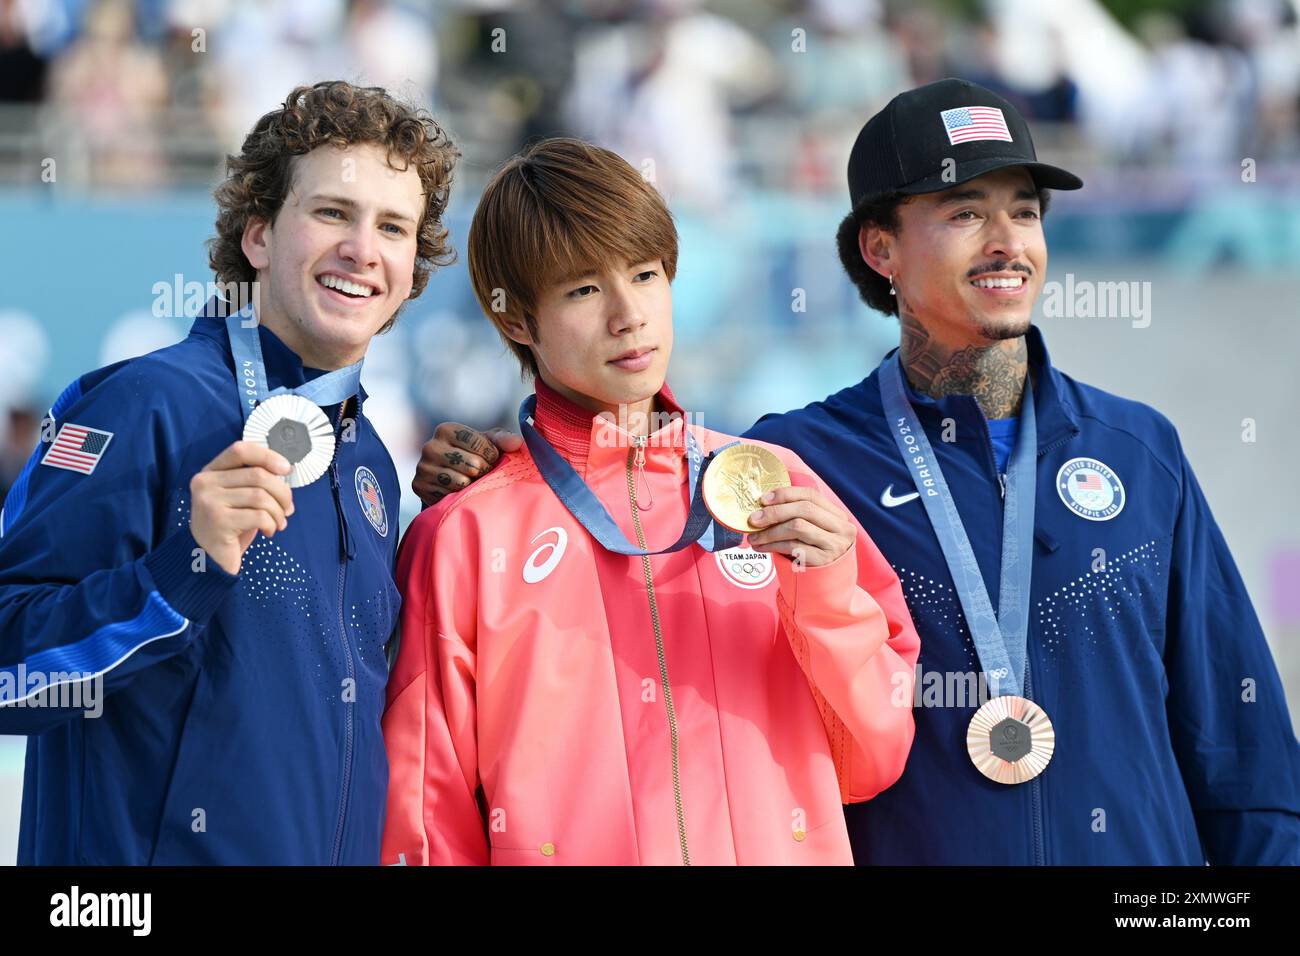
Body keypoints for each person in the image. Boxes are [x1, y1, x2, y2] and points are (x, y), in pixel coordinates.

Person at [417, 79, 1300, 864]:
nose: (1006, 242)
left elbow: (1241, 743)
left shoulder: (1138, 452)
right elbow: (621, 483)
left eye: (1024, 209)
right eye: (963, 212)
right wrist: (510, 472)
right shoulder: (784, 468)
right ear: (879, 250)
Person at [381, 137, 920, 865]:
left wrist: (822, 594)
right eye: (582, 290)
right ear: (515, 321)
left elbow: (874, 759)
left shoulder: (776, 484)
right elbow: (424, 816)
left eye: (644, 274)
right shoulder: (466, 534)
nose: (628, 314)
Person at [0, 80, 458, 864]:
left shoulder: (370, 460)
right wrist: (180, 572)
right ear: (258, 237)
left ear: (412, 269)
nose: (362, 249)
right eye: (331, 213)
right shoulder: (146, 405)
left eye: (393, 227)